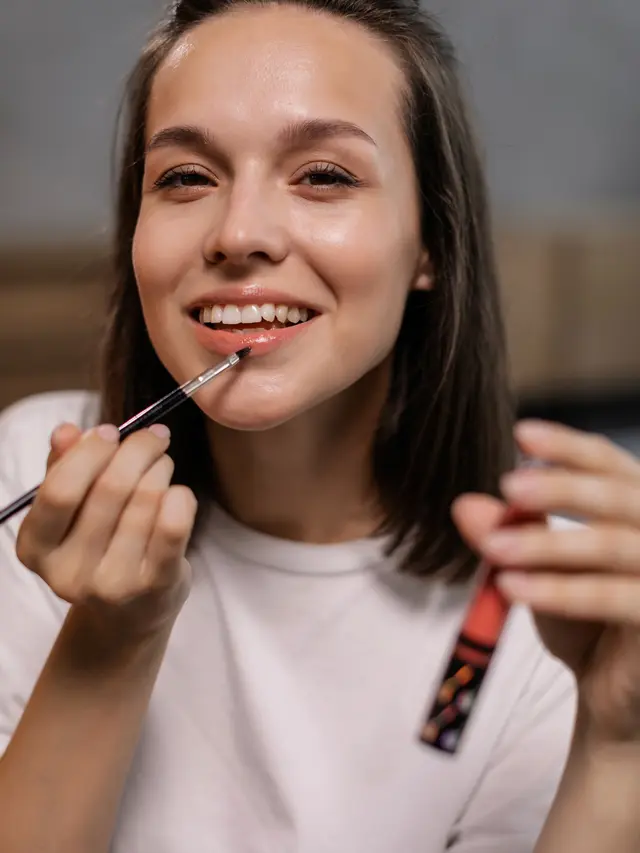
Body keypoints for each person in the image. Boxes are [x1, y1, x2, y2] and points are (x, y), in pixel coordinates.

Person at [0, 0, 639, 850]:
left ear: (430, 247)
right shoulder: (29, 469)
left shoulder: (560, 607)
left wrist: (618, 748)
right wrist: (109, 638)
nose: (238, 234)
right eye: (185, 177)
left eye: (324, 176)